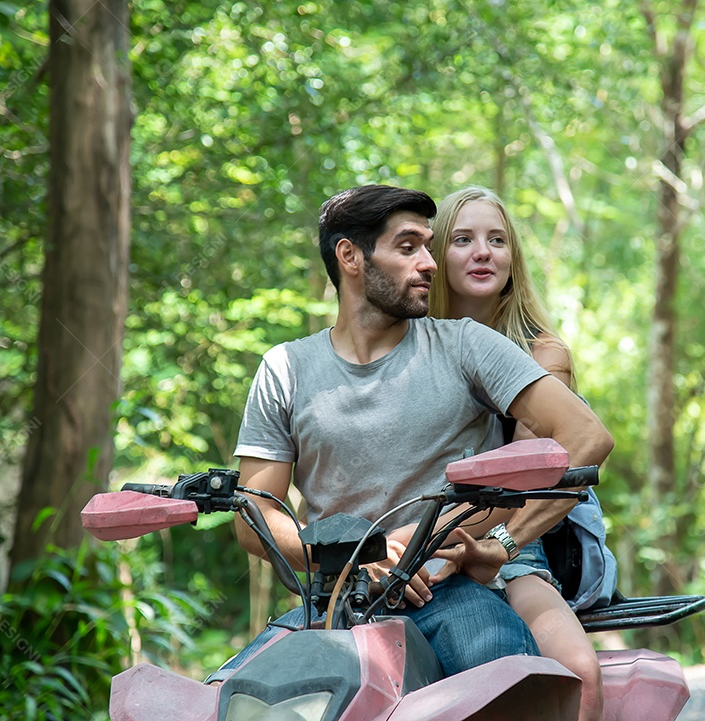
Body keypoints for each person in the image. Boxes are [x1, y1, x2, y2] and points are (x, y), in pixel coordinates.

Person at [229, 184, 614, 678]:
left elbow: (584, 437)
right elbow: (254, 514)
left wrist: (463, 542)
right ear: (349, 256)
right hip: (335, 602)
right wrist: (349, 560)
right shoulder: (285, 368)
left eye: (429, 247)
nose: (429, 263)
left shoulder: (465, 345)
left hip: (451, 592)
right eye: (409, 247)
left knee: (510, 681)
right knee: (233, 694)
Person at [428, 185, 608, 721]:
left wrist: (497, 548)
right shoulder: (408, 342)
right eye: (463, 239)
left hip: (512, 536)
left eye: (496, 240)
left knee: (579, 672)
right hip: (412, 537)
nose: (483, 252)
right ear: (435, 255)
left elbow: (528, 479)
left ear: (513, 259)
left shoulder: (541, 354)